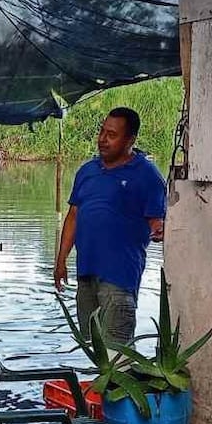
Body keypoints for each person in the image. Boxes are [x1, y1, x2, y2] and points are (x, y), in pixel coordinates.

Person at [54, 107, 166, 346]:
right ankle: (102, 384)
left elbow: (157, 221)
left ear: (130, 140)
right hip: (86, 272)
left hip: (120, 276)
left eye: (112, 135)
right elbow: (74, 215)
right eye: (102, 132)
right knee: (93, 345)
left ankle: (122, 383)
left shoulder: (148, 176)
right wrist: (61, 259)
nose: (103, 140)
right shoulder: (87, 171)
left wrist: (160, 230)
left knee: (117, 348)